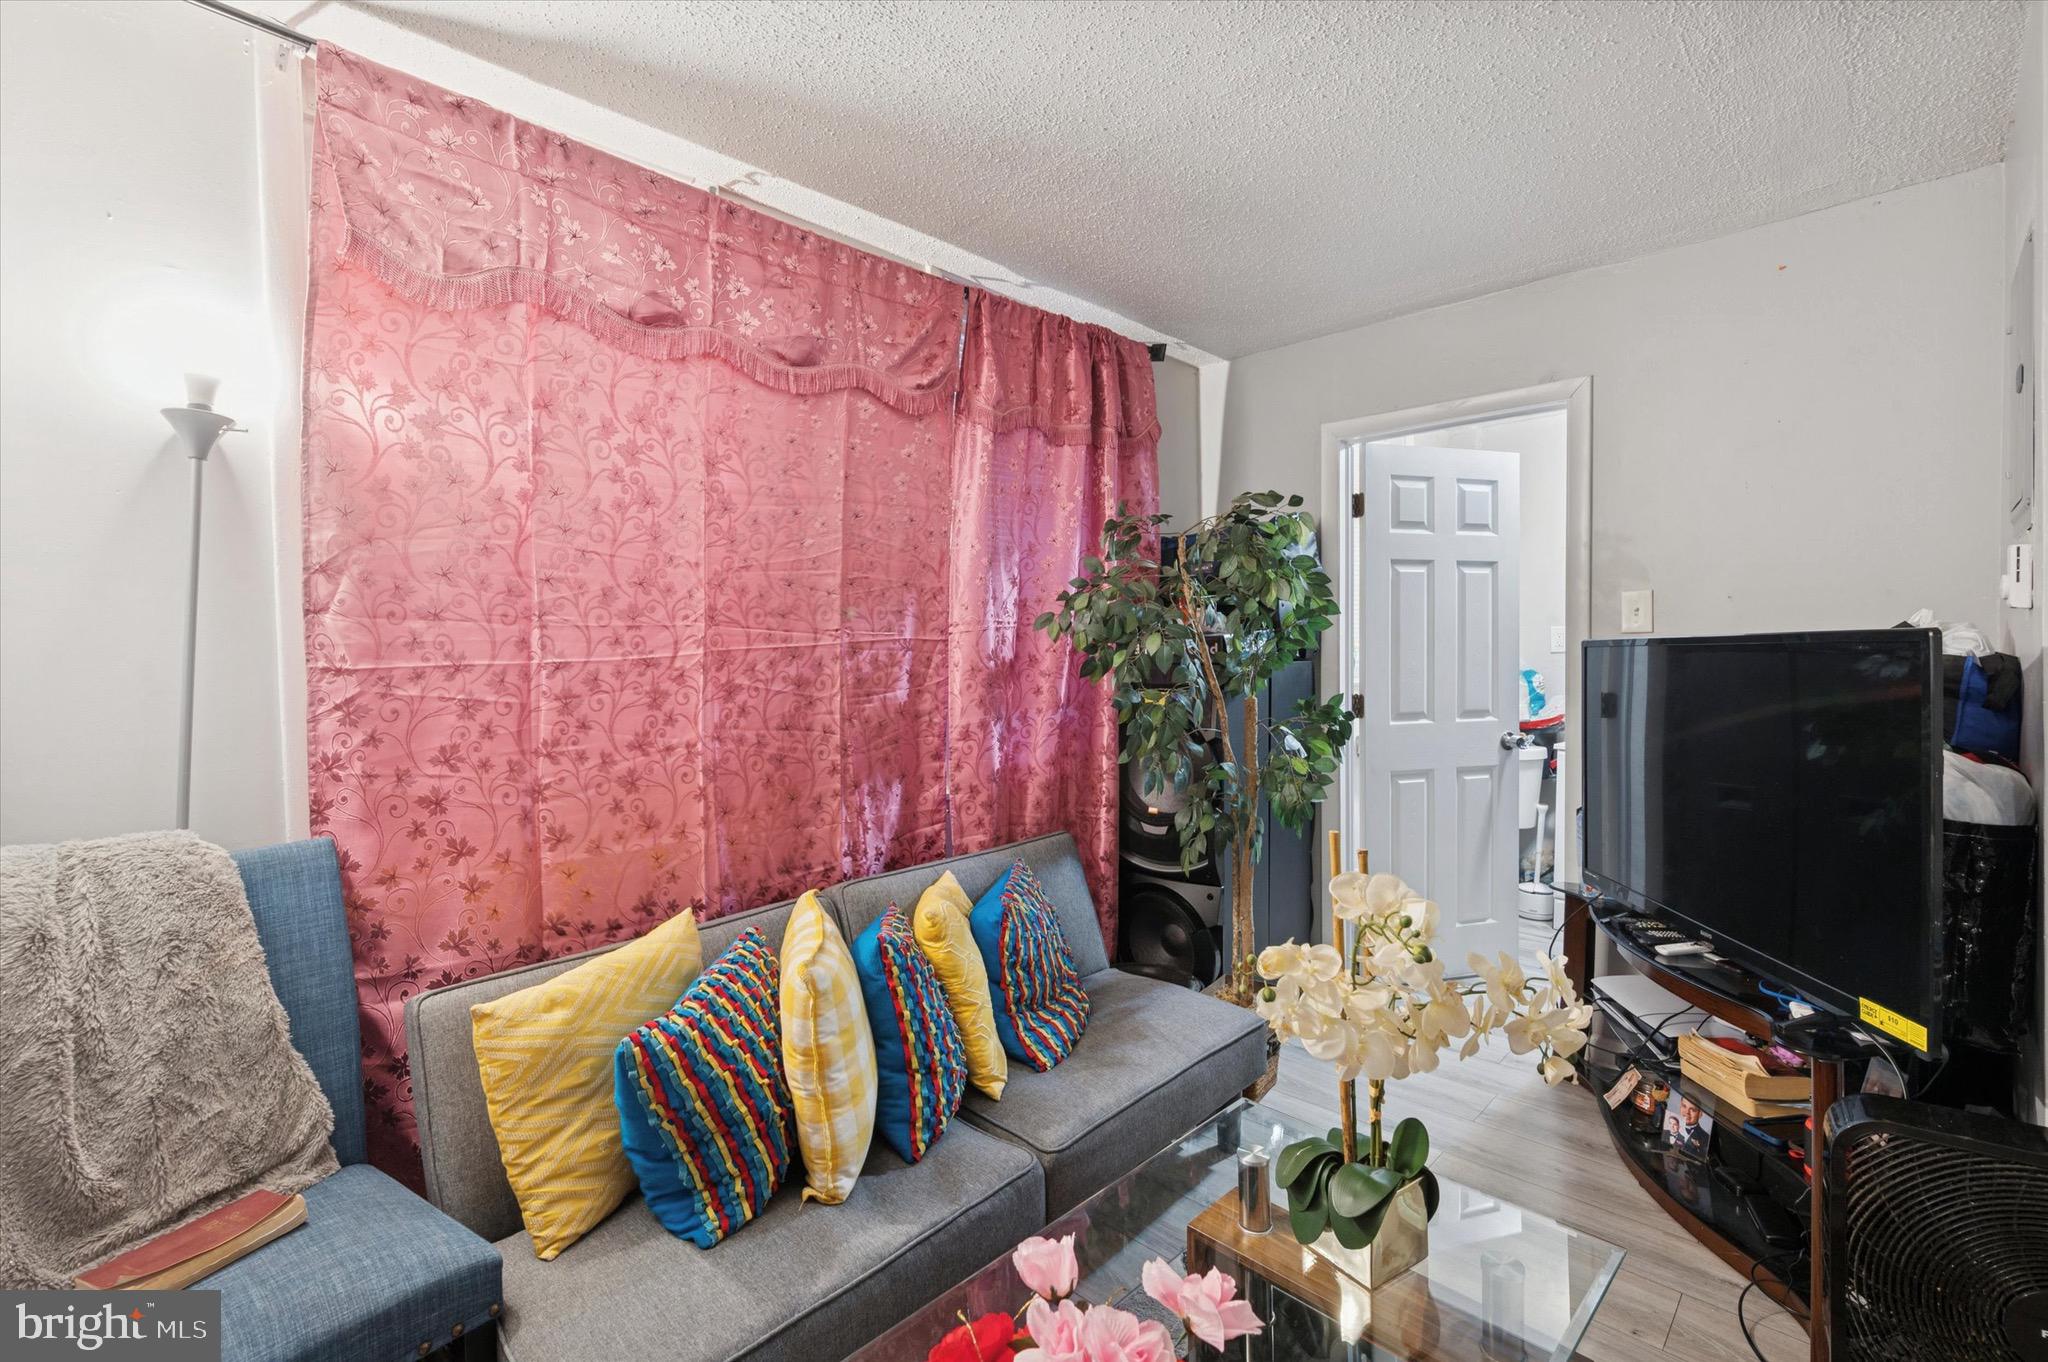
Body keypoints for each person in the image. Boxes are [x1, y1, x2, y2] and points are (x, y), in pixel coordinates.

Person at [1664, 1093, 1710, 1158]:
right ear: (1680, 1106)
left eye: (1693, 1110)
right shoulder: (1665, 1131)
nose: (1687, 1112)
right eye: (1684, 1106)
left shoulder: (1706, 1138)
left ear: (1700, 1114)